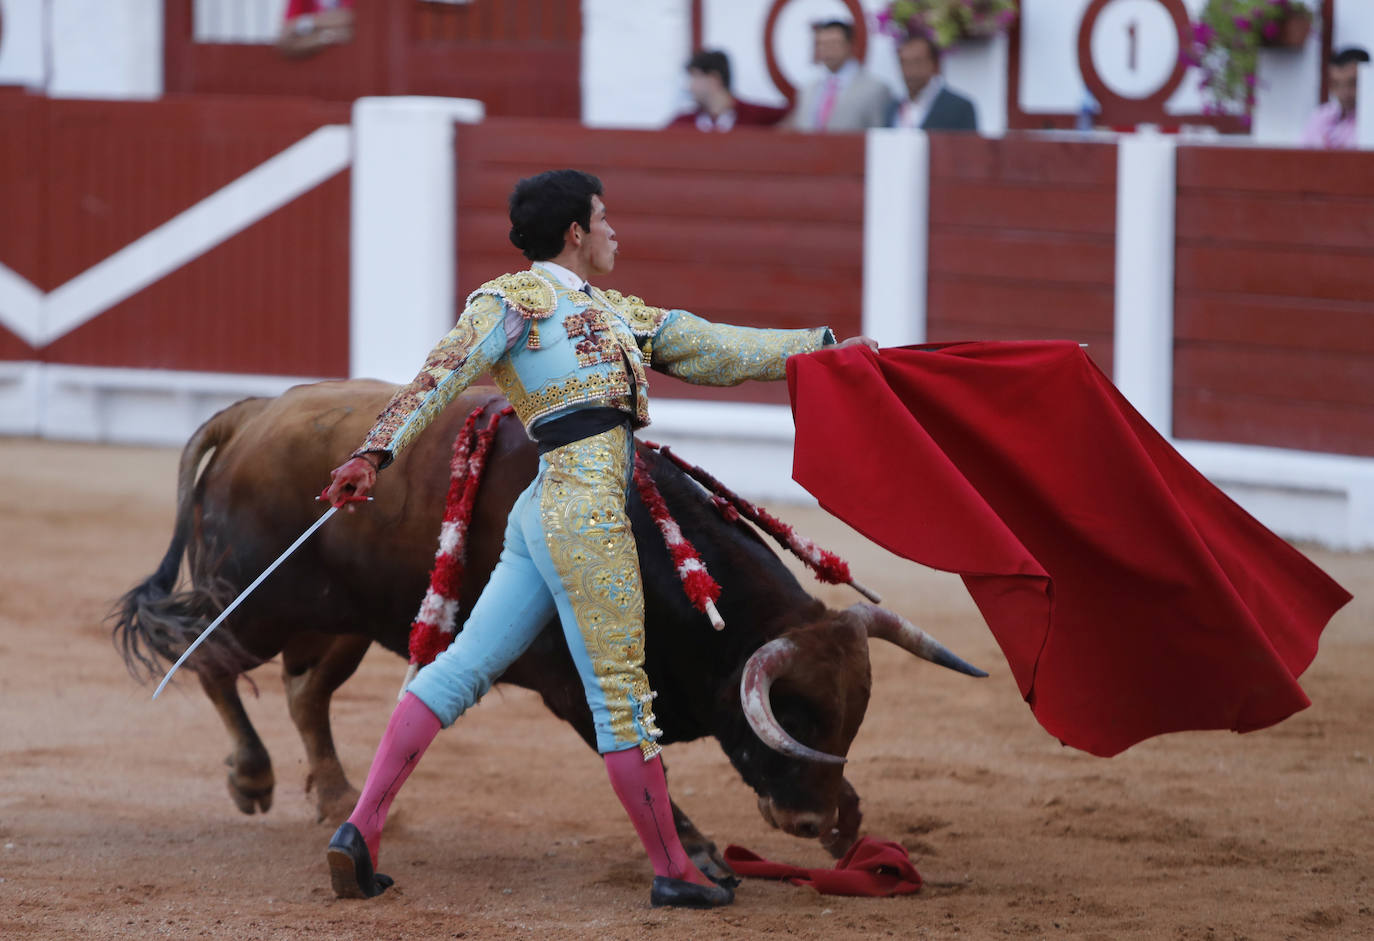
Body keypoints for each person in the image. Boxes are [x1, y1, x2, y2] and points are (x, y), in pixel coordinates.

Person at [322, 169, 877, 909]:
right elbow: (443, 373)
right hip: (586, 512)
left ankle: (360, 829)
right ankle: (673, 866)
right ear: (576, 233)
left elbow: (713, 348)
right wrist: (375, 451)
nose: (616, 232)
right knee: (620, 697)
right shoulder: (512, 300)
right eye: (605, 218)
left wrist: (819, 349)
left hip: (545, 506)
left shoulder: (614, 312)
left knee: (463, 669)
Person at [786, 20, 894, 132]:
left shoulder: (875, 90)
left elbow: (879, 137)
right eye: (822, 44)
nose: (827, 49)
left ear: (849, 45)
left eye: (833, 43)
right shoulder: (807, 91)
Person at [667, 49, 787, 131]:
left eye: (695, 77)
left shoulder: (756, 117)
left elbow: (795, 118)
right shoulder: (682, 124)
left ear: (714, 79)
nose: (690, 87)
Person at [887, 32, 978, 132]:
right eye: (904, 62)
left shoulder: (959, 108)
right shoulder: (891, 108)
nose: (910, 71)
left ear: (935, 65)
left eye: (917, 62)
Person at [1301, 47, 1369, 150]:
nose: (1344, 92)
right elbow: (1301, 157)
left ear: (1368, 79)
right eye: (1335, 84)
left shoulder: (1369, 119)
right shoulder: (1321, 116)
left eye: (1353, 83)